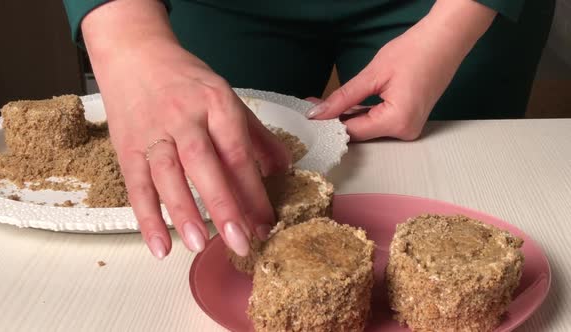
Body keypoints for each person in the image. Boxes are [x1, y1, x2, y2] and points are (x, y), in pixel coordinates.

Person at [63, 0, 554, 259]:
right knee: (211, 178)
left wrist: (454, 24)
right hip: (215, 6)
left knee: (465, 185)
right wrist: (127, 39)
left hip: (450, 6)